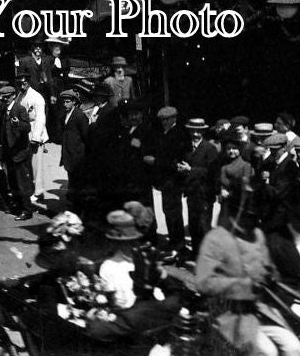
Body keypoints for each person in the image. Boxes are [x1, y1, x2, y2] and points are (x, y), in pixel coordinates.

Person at [196, 189, 300, 356]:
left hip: (260, 310)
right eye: (248, 216)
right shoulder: (216, 238)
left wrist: (270, 275)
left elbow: (268, 266)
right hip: (228, 314)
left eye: (255, 217)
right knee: (268, 352)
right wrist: (245, 285)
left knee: (294, 347)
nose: (251, 222)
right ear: (233, 212)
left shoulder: (257, 235)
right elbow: (203, 282)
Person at [86, 209, 182, 342]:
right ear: (117, 244)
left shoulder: (141, 259)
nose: (135, 246)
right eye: (128, 242)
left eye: (136, 241)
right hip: (141, 314)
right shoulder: (109, 267)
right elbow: (120, 303)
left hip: (145, 313)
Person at [147, 106, 187, 261]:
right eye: (162, 120)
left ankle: (179, 246)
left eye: (167, 120)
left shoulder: (179, 134)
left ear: (174, 118)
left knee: (174, 212)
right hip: (165, 179)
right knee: (168, 211)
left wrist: (156, 162)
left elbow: (176, 160)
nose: (164, 122)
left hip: (174, 180)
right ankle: (174, 242)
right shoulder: (163, 133)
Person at [178, 118, 219, 260]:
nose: (195, 134)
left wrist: (191, 170)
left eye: (198, 131)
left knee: (204, 225)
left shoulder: (210, 148)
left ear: (203, 132)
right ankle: (196, 253)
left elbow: (211, 171)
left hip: (205, 193)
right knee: (193, 224)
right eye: (193, 131)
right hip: (191, 192)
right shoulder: (185, 147)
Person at [3, 84, 35, 221]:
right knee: (13, 182)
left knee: (23, 183)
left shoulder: (20, 109)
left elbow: (27, 127)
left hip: (20, 152)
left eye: (6, 97)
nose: (4, 99)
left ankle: (27, 210)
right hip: (9, 152)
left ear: (13, 96)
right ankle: (17, 206)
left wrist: (18, 124)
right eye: (2, 97)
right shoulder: (4, 110)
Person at [58, 89, 89, 209]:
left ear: (74, 102)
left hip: (77, 154)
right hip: (68, 153)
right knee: (71, 178)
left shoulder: (79, 116)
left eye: (67, 102)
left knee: (77, 181)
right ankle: (74, 203)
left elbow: (86, 135)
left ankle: (77, 205)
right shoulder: (65, 115)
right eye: (64, 102)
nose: (65, 104)